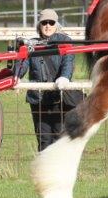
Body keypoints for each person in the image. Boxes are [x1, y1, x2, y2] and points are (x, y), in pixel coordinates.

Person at [21, 9, 75, 152]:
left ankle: (59, 173)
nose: (48, 26)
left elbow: (68, 62)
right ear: (39, 25)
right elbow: (22, 68)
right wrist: (15, 69)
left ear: (56, 24)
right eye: (44, 22)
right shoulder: (31, 44)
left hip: (60, 98)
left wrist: (64, 77)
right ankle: (44, 172)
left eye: (51, 22)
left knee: (60, 139)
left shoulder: (66, 41)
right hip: (38, 100)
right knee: (44, 139)